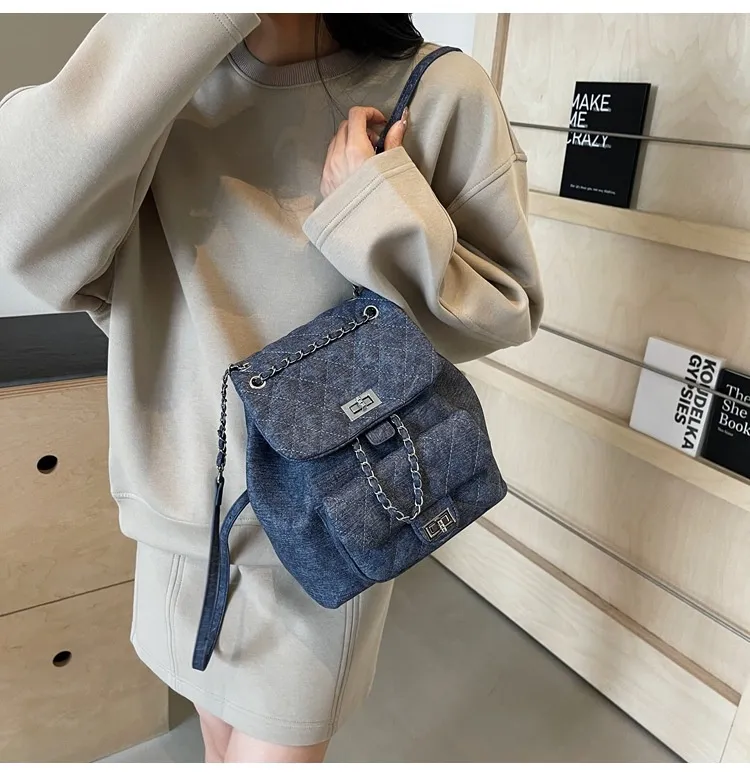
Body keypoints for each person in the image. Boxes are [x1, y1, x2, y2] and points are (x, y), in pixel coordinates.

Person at [0, 13, 543, 763]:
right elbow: (23, 231)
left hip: (322, 538)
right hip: (172, 531)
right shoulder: (158, 84)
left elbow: (502, 309)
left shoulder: (437, 90)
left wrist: (375, 208)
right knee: (215, 751)